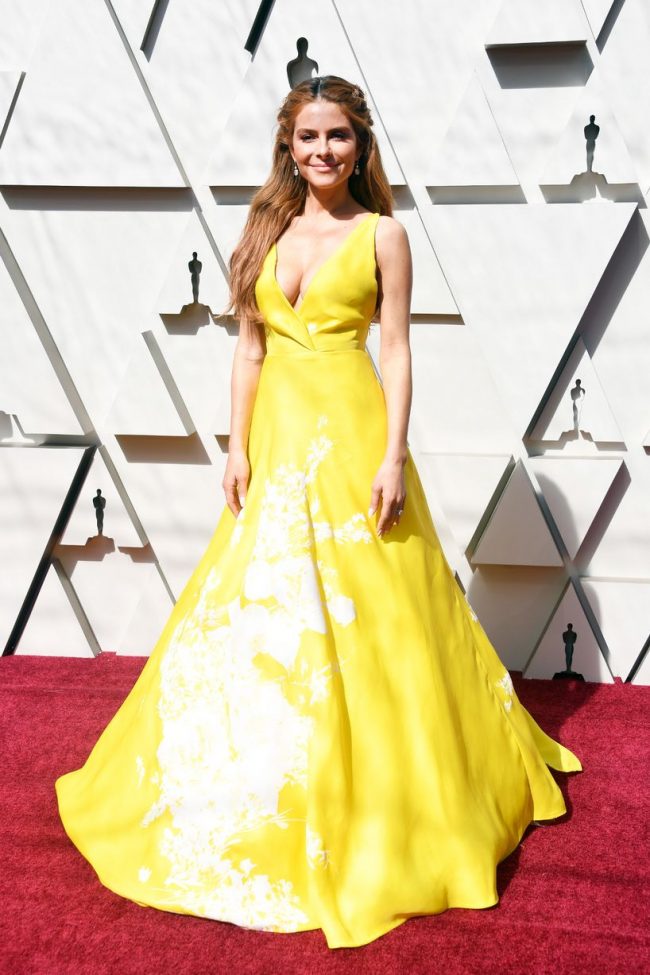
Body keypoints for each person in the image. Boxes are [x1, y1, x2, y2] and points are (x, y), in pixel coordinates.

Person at [55, 75, 583, 950]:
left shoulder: (384, 235)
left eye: (337, 137)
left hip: (350, 437)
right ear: (288, 146)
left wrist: (391, 455)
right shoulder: (265, 231)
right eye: (308, 138)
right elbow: (250, 350)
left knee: (374, 611)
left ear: (360, 145)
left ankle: (395, 797)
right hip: (276, 436)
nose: (322, 153)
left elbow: (400, 350)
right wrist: (234, 445)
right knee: (256, 608)